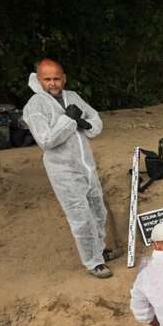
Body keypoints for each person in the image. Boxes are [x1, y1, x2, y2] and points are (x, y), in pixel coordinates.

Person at [23, 58, 119, 278]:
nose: (53, 83)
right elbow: (46, 140)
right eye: (47, 79)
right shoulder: (36, 105)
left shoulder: (72, 96)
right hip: (63, 170)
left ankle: (100, 250)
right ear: (39, 80)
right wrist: (68, 120)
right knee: (80, 216)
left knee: (97, 210)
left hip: (87, 166)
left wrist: (86, 123)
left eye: (57, 78)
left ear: (63, 78)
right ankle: (93, 262)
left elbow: (94, 119)